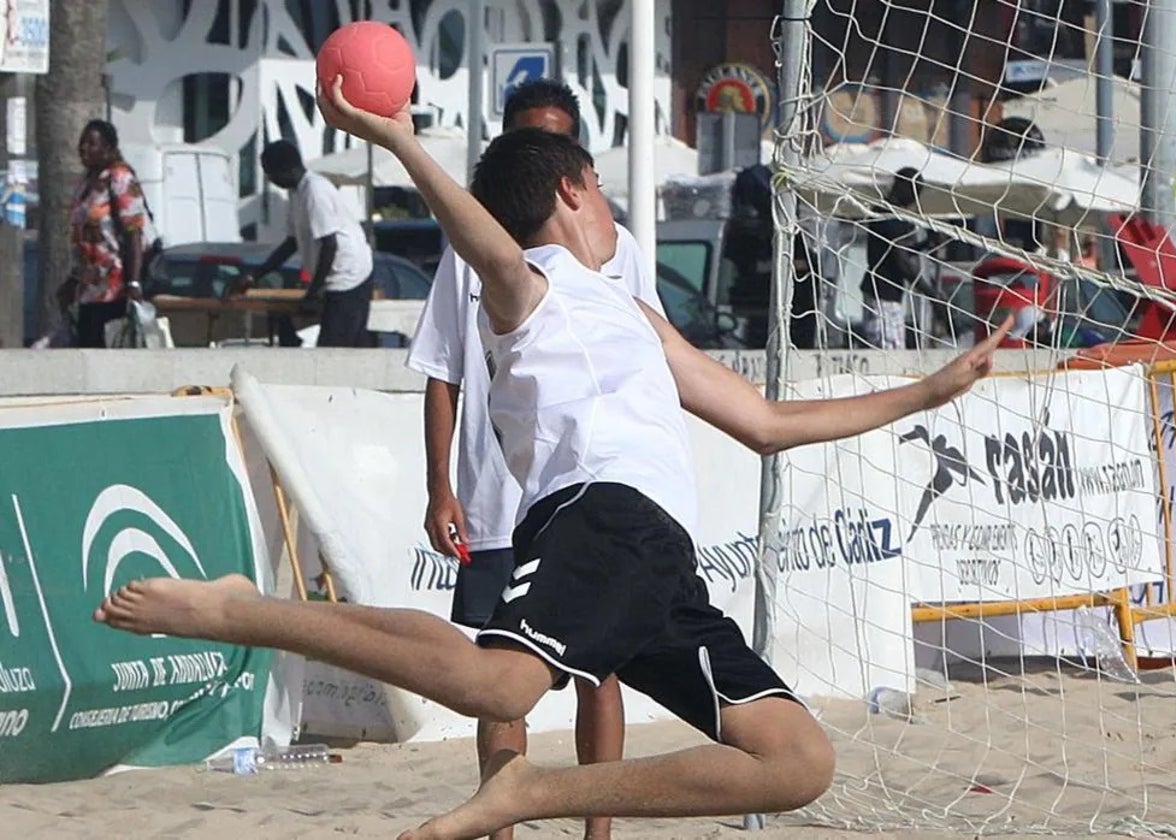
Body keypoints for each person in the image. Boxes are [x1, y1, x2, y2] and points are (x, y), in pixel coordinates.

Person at [95, 80, 1010, 840]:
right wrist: (403, 145)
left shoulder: (635, 314)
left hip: (662, 560)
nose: (614, 209)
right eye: (605, 191)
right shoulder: (529, 288)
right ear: (573, 188)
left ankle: (533, 792)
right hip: (596, 512)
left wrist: (926, 392)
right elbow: (483, 240)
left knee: (796, 760)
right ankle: (244, 611)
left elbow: (764, 422)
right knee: (498, 682)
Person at [405, 79, 653, 840]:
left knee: (599, 672)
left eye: (559, 145)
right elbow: (443, 369)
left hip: (590, 496)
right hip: (495, 500)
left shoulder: (617, 250)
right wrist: (439, 486)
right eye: (529, 142)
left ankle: (598, 831)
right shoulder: (472, 251)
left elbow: (656, 364)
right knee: (500, 687)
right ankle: (500, 826)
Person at [243, 140, 374, 347]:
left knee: (332, 350)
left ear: (286, 169)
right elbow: (291, 243)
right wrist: (255, 275)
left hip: (348, 276)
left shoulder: (315, 191)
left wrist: (313, 292)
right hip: (334, 279)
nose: (270, 179)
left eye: (271, 173)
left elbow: (330, 245)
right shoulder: (296, 194)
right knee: (344, 345)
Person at [69, 120, 157, 348]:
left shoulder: (119, 178)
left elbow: (133, 231)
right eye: (82, 143)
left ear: (108, 148)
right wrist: (73, 279)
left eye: (92, 143)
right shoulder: (86, 183)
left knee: (109, 349)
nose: (84, 149)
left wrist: (134, 282)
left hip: (115, 285)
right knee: (86, 347)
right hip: (89, 286)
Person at [860, 167, 925, 350]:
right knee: (888, 350)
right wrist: (933, 295)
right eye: (916, 190)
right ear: (903, 186)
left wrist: (925, 244)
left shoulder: (897, 215)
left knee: (895, 348)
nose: (916, 197)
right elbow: (901, 260)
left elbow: (896, 252)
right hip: (881, 293)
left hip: (891, 293)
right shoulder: (886, 212)